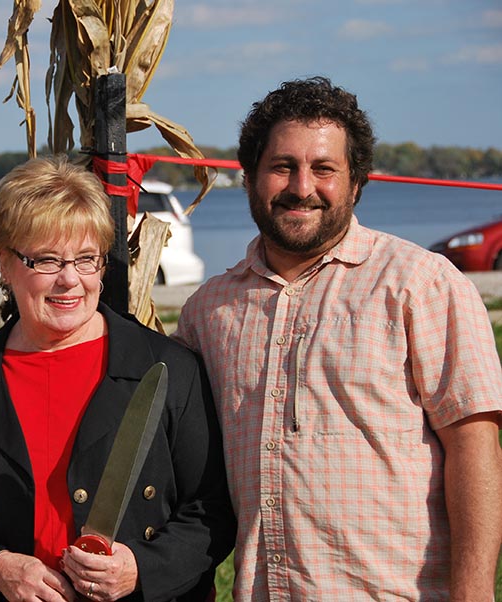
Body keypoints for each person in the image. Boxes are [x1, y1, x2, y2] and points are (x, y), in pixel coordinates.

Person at [174, 76, 502, 599]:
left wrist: (474, 591)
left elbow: (474, 445)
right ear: (251, 177)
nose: (302, 187)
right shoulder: (206, 313)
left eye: (324, 168)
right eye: (282, 166)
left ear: (355, 184)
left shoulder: (421, 283)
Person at [0, 155, 236, 602]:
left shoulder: (167, 369)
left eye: (86, 259)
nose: (70, 281)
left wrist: (142, 569)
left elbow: (214, 507)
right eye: (45, 261)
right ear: (5, 262)